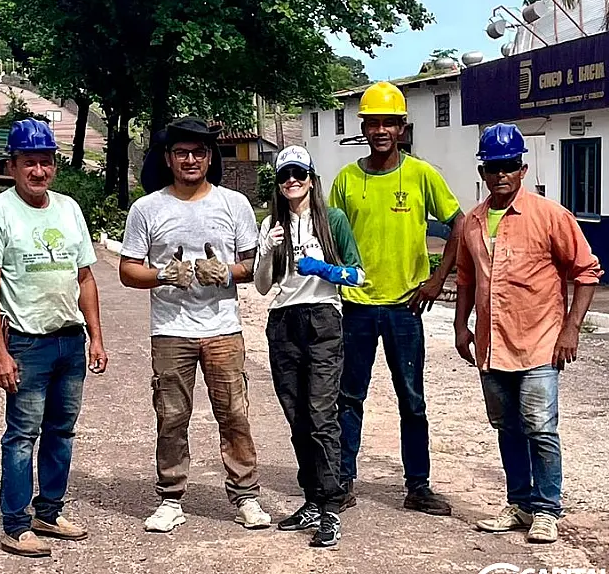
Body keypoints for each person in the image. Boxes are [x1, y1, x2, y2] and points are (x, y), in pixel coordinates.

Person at [119, 116, 271, 533]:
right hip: (170, 329)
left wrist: (224, 272)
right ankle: (170, 498)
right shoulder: (147, 208)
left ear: (210, 157)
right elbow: (127, 270)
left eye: (199, 152)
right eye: (182, 152)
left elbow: (253, 265)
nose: (191, 159)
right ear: (168, 158)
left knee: (234, 413)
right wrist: (164, 275)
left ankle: (246, 496)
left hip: (223, 327)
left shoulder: (233, 204)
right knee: (171, 415)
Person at [453, 123, 602, 544]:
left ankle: (547, 509)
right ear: (483, 171)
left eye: (510, 166)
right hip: (491, 343)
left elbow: (586, 272)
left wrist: (570, 329)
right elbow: (466, 278)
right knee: (507, 428)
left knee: (540, 427)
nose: (501, 175)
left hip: (539, 343)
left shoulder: (550, 216)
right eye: (494, 167)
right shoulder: (473, 222)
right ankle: (518, 503)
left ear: (522, 168)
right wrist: (460, 325)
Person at [0, 118, 109, 558]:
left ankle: (49, 511)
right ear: (12, 165)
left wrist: (96, 338)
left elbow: (85, 278)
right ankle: (15, 522)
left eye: (46, 162)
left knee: (61, 432)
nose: (38, 171)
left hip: (70, 340)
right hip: (27, 343)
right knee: (21, 435)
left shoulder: (68, 209)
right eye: (29, 162)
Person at [328, 81, 463, 516]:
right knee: (349, 397)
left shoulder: (421, 174)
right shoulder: (347, 180)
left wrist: (437, 279)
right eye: (373, 123)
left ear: (402, 128)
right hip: (357, 306)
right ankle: (343, 480)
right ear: (363, 127)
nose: (381, 130)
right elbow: (329, 238)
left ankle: (417, 486)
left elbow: (458, 224)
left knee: (412, 399)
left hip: (406, 307)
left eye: (390, 122)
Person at [254, 145, 362, 548]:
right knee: (298, 417)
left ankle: (331, 508)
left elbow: (358, 274)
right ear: (278, 185)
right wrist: (266, 251)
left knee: (321, 416)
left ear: (311, 180)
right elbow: (263, 287)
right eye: (285, 177)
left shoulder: (332, 220)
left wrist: (324, 269)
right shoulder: (272, 225)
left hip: (323, 319)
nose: (292, 182)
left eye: (299, 174)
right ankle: (312, 500)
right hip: (283, 321)